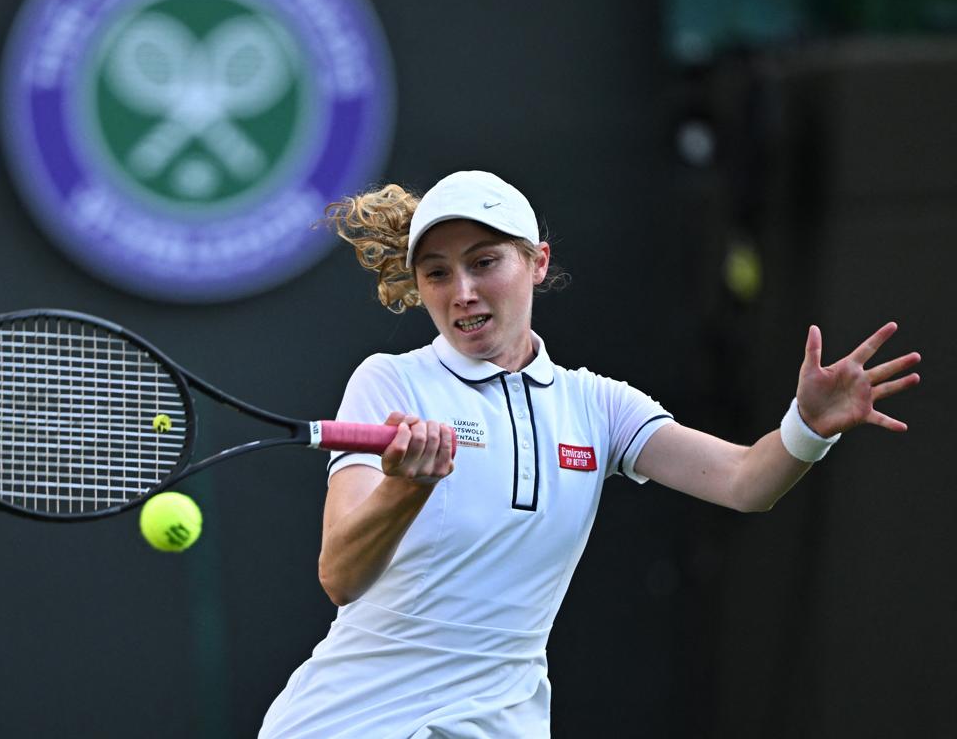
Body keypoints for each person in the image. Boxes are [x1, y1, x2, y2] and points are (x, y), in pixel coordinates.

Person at [258, 170, 921, 738]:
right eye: (437, 274)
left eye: (485, 262)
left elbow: (746, 482)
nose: (461, 291)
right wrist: (408, 488)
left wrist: (807, 424)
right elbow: (340, 576)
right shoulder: (390, 382)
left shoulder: (597, 407)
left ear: (537, 262)